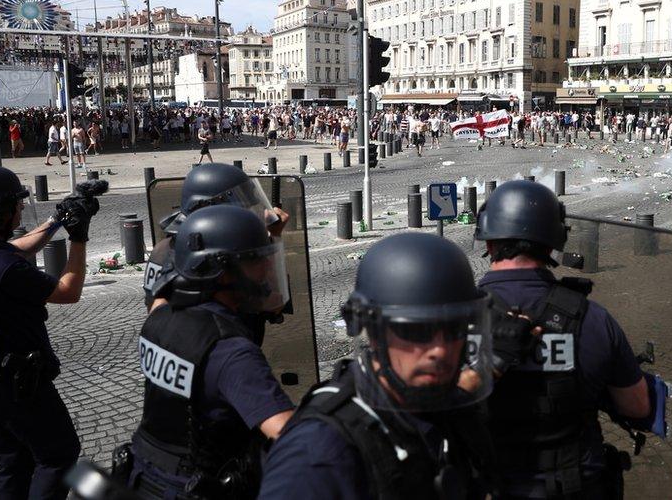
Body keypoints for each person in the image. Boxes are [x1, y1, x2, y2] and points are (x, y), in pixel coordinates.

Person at [258, 232, 495, 500]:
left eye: (453, 328)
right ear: (374, 334)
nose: (439, 350)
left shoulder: (449, 413)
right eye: (416, 331)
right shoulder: (318, 452)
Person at [473, 180, 667, 499]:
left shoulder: (454, 318)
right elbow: (637, 406)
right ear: (553, 243)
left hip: (486, 486)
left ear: (489, 242)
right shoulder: (594, 319)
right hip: (574, 486)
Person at [122, 205, 295, 498]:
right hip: (200, 486)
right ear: (221, 270)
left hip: (143, 477)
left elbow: (163, 293)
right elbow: (291, 434)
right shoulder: (230, 351)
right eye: (254, 260)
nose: (266, 270)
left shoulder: (158, 319)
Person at [0, 165, 97, 499]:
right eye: (17, 207)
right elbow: (68, 291)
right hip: (13, 383)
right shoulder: (2, 269)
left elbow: (16, 248)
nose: (21, 211)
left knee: (14, 461)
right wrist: (78, 238)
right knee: (58, 456)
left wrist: (57, 221)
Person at [143, 163, 288, 312]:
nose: (246, 217)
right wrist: (274, 237)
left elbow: (154, 311)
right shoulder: (214, 258)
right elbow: (275, 303)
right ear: (209, 207)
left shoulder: (166, 248)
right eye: (240, 210)